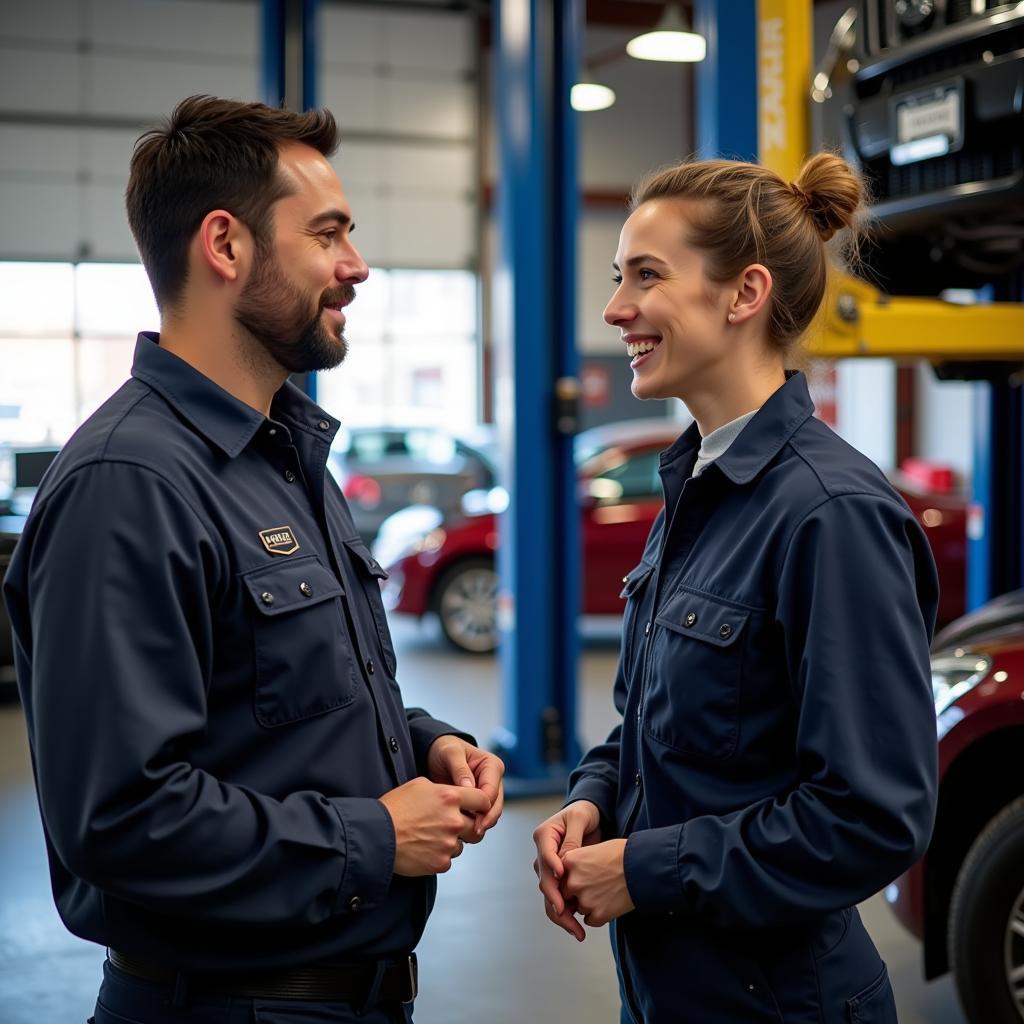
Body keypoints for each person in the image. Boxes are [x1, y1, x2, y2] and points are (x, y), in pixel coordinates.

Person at [2, 94, 504, 1024]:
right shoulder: (129, 484)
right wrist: (374, 833)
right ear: (226, 247)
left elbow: (281, 701)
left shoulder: (283, 458)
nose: (355, 267)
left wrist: (424, 739)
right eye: (328, 234)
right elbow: (117, 817)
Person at [533, 153, 938, 1023]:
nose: (615, 310)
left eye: (648, 276)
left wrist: (643, 869)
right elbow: (666, 726)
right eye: (618, 279)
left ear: (743, 293)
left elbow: (871, 819)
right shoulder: (696, 488)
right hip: (674, 992)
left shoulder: (831, 515)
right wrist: (591, 797)